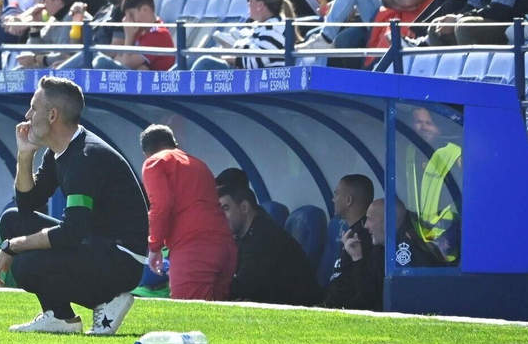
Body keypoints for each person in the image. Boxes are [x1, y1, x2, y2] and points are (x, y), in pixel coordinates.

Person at [0, 76, 149, 335]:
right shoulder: (59, 151)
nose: (27, 115)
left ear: (52, 115)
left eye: (33, 108)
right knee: (13, 221)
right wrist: (25, 154)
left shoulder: (85, 157)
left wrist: (12, 246)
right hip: (96, 245)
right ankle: (60, 316)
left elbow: (70, 232)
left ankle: (106, 301)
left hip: (122, 259)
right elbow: (28, 203)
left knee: (24, 265)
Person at [139, 124, 237, 300]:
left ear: (146, 152)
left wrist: (154, 246)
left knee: (192, 316)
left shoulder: (154, 162)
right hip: (225, 247)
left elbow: (161, 205)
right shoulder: (198, 164)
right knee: (219, 319)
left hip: (194, 249)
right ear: (174, 144)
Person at [217, 177, 322, 305]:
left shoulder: (264, 237)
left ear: (245, 207)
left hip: (300, 311)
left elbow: (244, 286)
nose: (220, 216)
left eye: (226, 208)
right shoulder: (249, 234)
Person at [321, 173, 379, 309]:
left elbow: (355, 290)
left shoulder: (363, 237)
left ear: (348, 200)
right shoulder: (354, 232)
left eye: (336, 195)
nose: (333, 199)